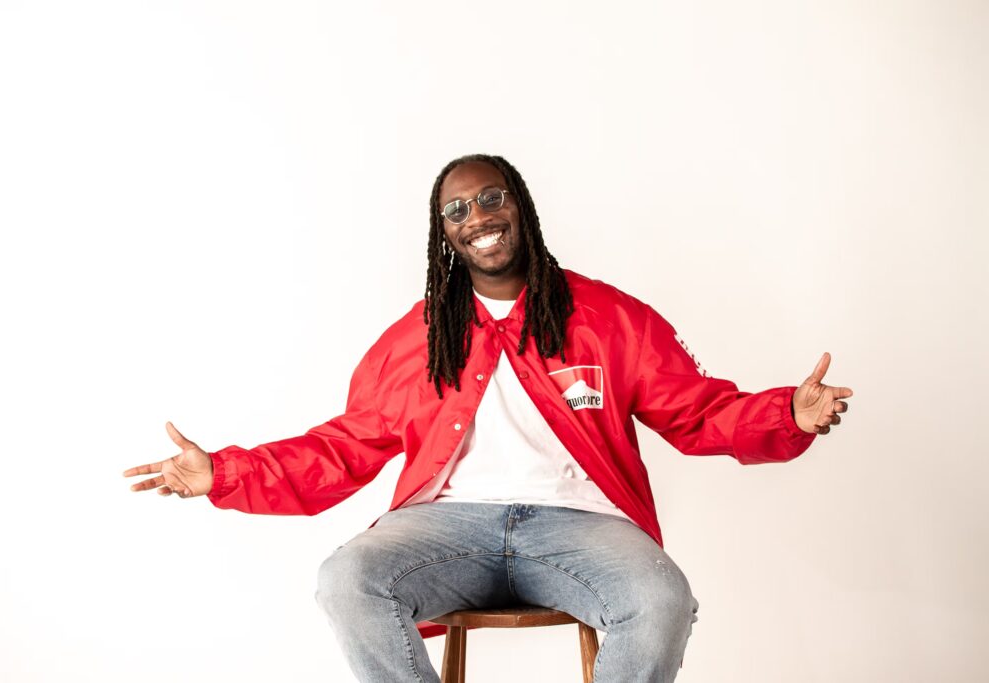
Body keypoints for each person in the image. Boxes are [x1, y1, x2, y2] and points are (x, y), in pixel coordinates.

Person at [124, 154, 853, 682]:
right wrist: (225, 472)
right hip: (446, 528)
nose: (478, 216)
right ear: (444, 233)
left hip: (581, 525)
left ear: (521, 207)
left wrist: (786, 413)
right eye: (458, 209)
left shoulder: (610, 316)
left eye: (492, 198)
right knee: (346, 579)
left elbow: (698, 410)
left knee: (662, 598)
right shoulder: (416, 338)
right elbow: (342, 447)